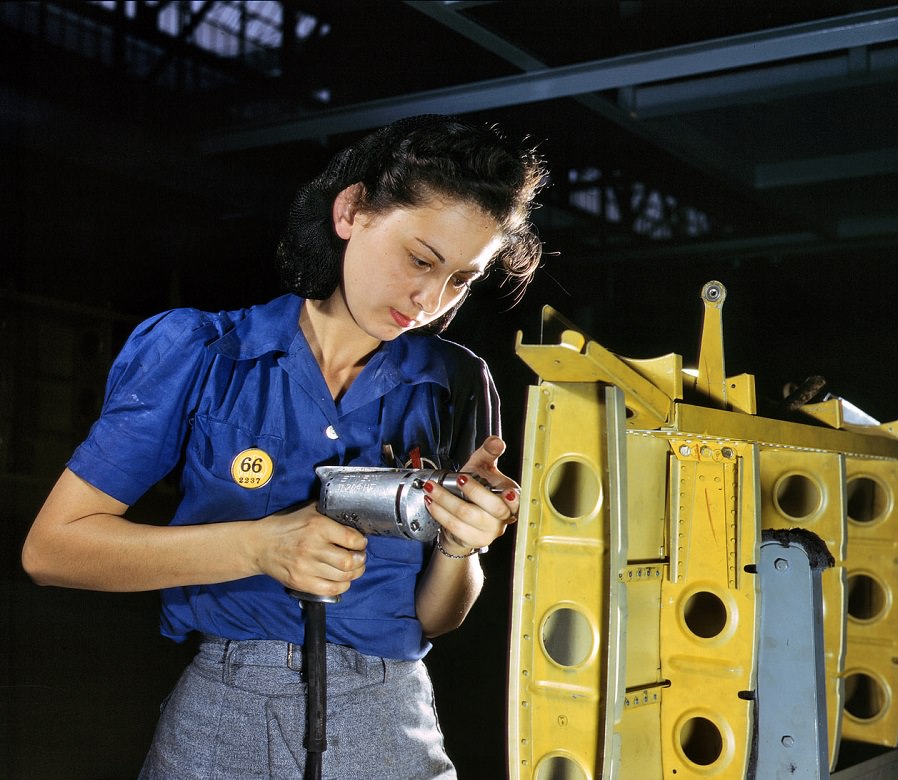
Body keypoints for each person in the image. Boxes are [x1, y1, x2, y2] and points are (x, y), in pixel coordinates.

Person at [21, 114, 547, 779]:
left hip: (389, 714)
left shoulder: (455, 380)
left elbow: (438, 618)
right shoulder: (202, 353)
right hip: (221, 706)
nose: (429, 299)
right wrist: (259, 545)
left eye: (461, 280)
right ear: (351, 211)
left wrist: (461, 545)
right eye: (420, 259)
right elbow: (53, 550)